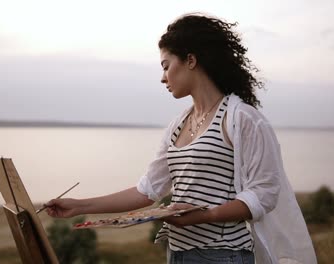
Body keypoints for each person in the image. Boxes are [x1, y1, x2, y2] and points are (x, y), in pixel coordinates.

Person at [45, 13, 317, 264]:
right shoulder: (177, 125)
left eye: (166, 66)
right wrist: (79, 206)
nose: (163, 78)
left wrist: (207, 215)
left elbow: (264, 194)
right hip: (177, 254)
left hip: (224, 255)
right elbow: (147, 190)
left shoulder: (243, 119)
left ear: (190, 60)